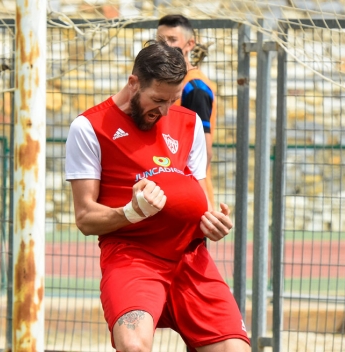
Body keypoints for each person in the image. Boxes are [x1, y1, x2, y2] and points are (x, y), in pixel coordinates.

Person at [65, 40, 250, 352]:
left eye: (172, 100)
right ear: (134, 83)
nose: (164, 110)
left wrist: (212, 221)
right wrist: (130, 212)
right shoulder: (89, 127)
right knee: (134, 347)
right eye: (157, 100)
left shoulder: (187, 122)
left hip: (191, 257)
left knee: (235, 350)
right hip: (132, 257)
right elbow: (85, 218)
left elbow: (200, 191)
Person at [157, 14, 216, 206]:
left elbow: (204, 151)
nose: (165, 45)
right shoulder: (171, 83)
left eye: (172, 40)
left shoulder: (194, 88)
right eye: (161, 40)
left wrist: (193, 196)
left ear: (190, 44)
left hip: (188, 195)